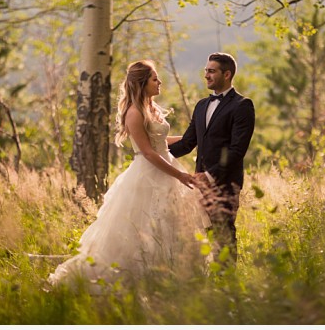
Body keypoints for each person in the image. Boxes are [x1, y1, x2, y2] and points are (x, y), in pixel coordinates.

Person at [49, 61, 208, 287]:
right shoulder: (134, 113)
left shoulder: (152, 108)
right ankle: (139, 275)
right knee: (142, 224)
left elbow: (161, 142)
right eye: (155, 79)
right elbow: (149, 152)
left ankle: (171, 274)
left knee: (168, 222)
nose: (159, 82)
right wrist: (180, 175)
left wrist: (193, 139)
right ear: (142, 83)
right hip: (148, 173)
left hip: (165, 166)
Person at [169, 53, 255, 262]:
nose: (206, 75)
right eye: (206, 70)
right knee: (204, 236)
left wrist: (209, 175)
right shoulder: (201, 106)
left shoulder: (242, 105)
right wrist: (154, 153)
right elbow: (187, 144)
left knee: (224, 235)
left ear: (227, 74)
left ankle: (228, 286)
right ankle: (210, 286)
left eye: (211, 71)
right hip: (199, 185)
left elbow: (237, 150)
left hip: (225, 183)